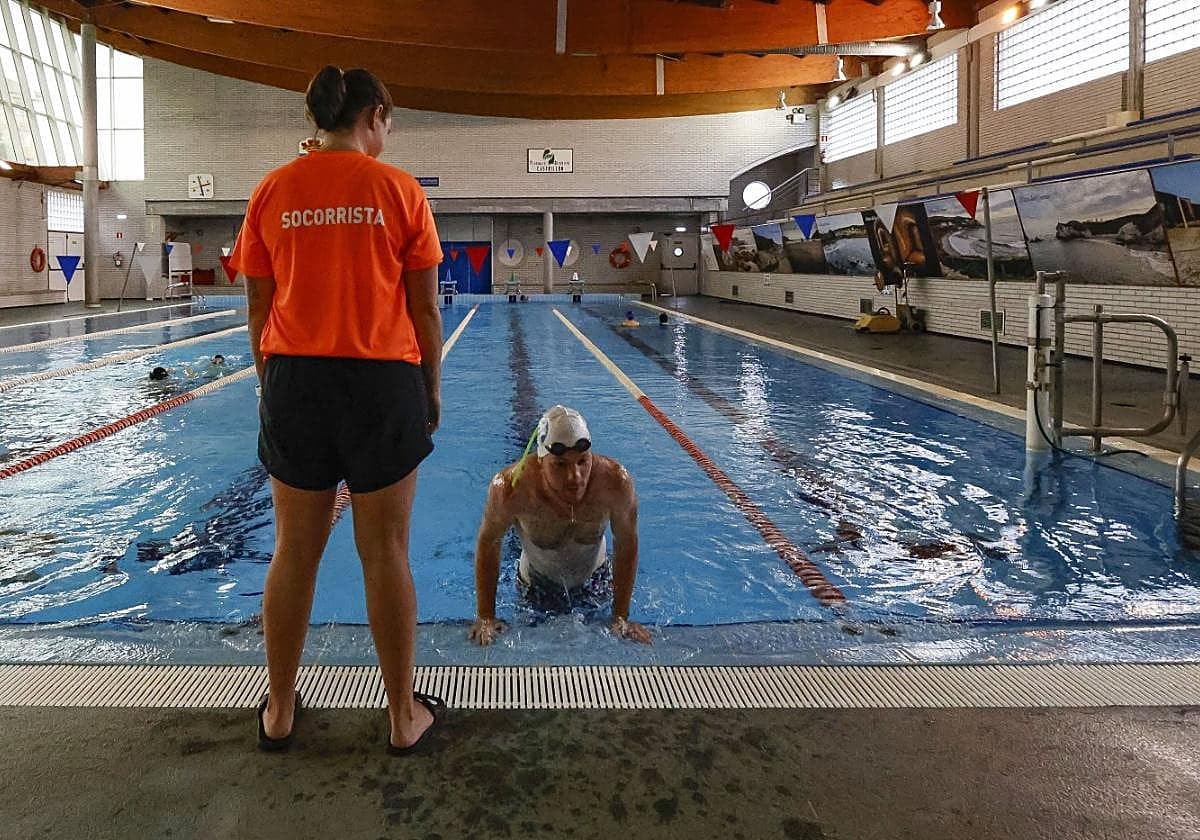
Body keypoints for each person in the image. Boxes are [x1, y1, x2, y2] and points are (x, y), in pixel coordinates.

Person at [229, 64, 446, 755]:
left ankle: (281, 712)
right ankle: (400, 718)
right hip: (383, 380)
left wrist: (274, 381)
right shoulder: (399, 189)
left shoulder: (273, 189)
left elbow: (259, 306)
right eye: (390, 120)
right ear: (374, 115)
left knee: (294, 550)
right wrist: (430, 388)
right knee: (384, 551)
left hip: (295, 378)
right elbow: (425, 309)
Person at [470, 405, 651, 646]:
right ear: (540, 461)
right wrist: (486, 617)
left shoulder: (615, 483)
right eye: (560, 465)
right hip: (535, 585)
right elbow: (489, 542)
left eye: (582, 462)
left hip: (595, 581)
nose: (575, 477)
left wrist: (621, 616)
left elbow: (627, 543)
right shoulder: (511, 489)